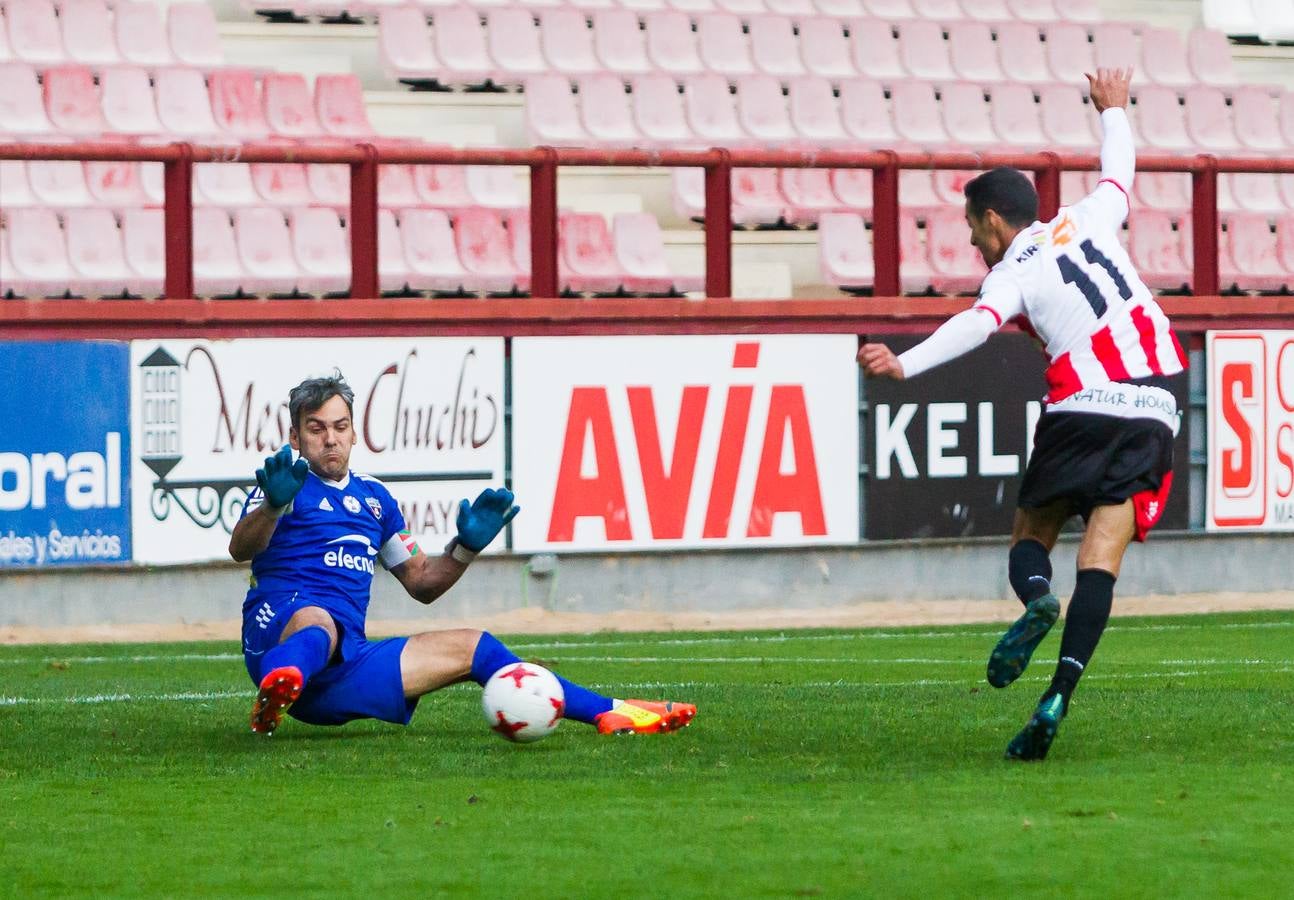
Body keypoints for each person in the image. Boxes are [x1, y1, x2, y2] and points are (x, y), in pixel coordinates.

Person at [858, 68, 1186, 761]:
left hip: (1086, 399)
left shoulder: (1014, 267)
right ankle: (1059, 693)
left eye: (974, 227)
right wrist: (1114, 110)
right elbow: (1118, 170)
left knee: (1029, 540)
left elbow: (979, 325)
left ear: (995, 220)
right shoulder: (1090, 215)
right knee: (1102, 558)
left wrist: (904, 364)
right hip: (1159, 397)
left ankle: (1037, 598)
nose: (975, 240)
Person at [230, 371, 696, 737]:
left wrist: (466, 548)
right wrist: (272, 505)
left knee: (479, 647)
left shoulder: (375, 500)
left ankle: (614, 712)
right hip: (278, 633)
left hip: (342, 668)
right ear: (295, 437)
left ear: (354, 434)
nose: (330, 439)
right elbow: (240, 548)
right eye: (316, 429)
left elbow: (422, 583)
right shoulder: (285, 484)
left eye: (340, 427)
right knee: (319, 621)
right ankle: (277, 685)